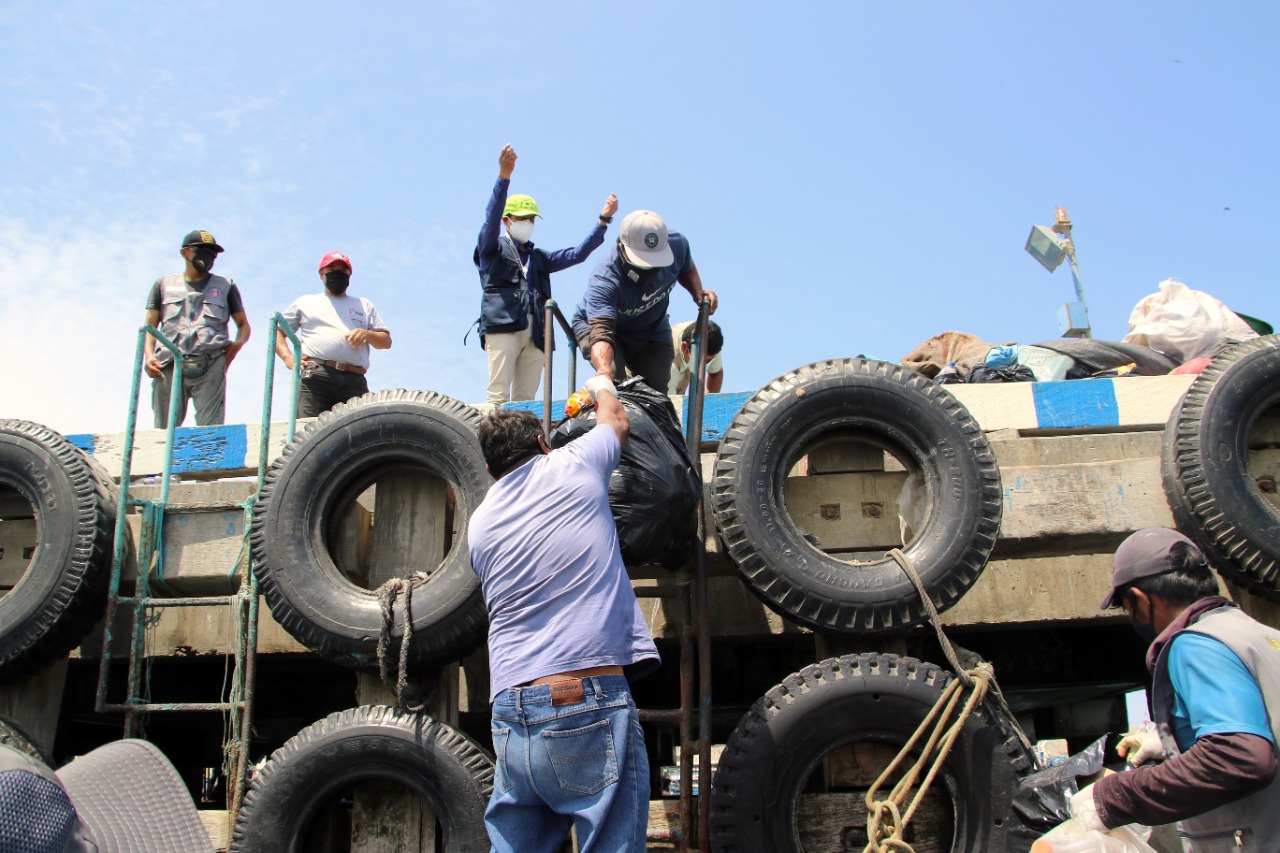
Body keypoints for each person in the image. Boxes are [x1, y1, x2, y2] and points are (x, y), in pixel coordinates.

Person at [468, 376, 659, 853]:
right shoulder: (572, 462)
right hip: (584, 701)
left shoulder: (480, 522)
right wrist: (600, 383)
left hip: (511, 713)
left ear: (490, 470)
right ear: (542, 444)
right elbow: (617, 421)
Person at [1071, 528, 1280, 848]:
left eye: (1127, 608)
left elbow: (1240, 757)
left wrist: (1114, 796)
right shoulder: (1264, 637)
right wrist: (1173, 744)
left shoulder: (1196, 646)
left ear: (1141, 601)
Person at [475, 143, 618, 409]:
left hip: (537, 332)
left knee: (526, 402)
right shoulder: (491, 248)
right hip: (503, 325)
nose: (527, 223)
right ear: (507, 220)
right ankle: (488, 435)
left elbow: (577, 254)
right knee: (497, 395)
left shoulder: (539, 257)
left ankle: (521, 436)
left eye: (531, 219)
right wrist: (503, 178)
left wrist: (603, 222)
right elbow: (489, 221)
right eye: (522, 218)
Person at [571, 210, 717, 393]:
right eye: (643, 262)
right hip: (604, 330)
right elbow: (601, 333)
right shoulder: (605, 279)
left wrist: (698, 293)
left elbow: (686, 267)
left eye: (656, 261)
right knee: (614, 382)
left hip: (651, 330)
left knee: (656, 390)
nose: (651, 269)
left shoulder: (677, 244)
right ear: (622, 249)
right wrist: (604, 371)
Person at [144, 230, 251, 428]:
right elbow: (150, 327)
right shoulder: (163, 285)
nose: (207, 257)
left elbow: (243, 325)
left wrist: (236, 346)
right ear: (185, 252)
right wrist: (149, 356)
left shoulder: (225, 286)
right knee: (164, 432)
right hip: (169, 364)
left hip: (210, 364)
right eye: (201, 251)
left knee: (210, 430)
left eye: (212, 254)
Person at [275, 251, 392, 418]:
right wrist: (288, 357)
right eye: (332, 270)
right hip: (317, 376)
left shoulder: (363, 304)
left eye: (343, 270)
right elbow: (278, 331)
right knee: (310, 429)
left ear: (349, 275)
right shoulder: (306, 302)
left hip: (354, 379)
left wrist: (367, 334)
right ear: (321, 274)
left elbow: (386, 341)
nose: (338, 274)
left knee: (358, 429)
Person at [669, 319, 724, 394]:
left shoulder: (711, 342)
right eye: (698, 360)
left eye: (707, 361)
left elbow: (715, 374)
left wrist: (707, 400)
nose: (701, 366)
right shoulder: (668, 363)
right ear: (684, 347)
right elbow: (667, 399)